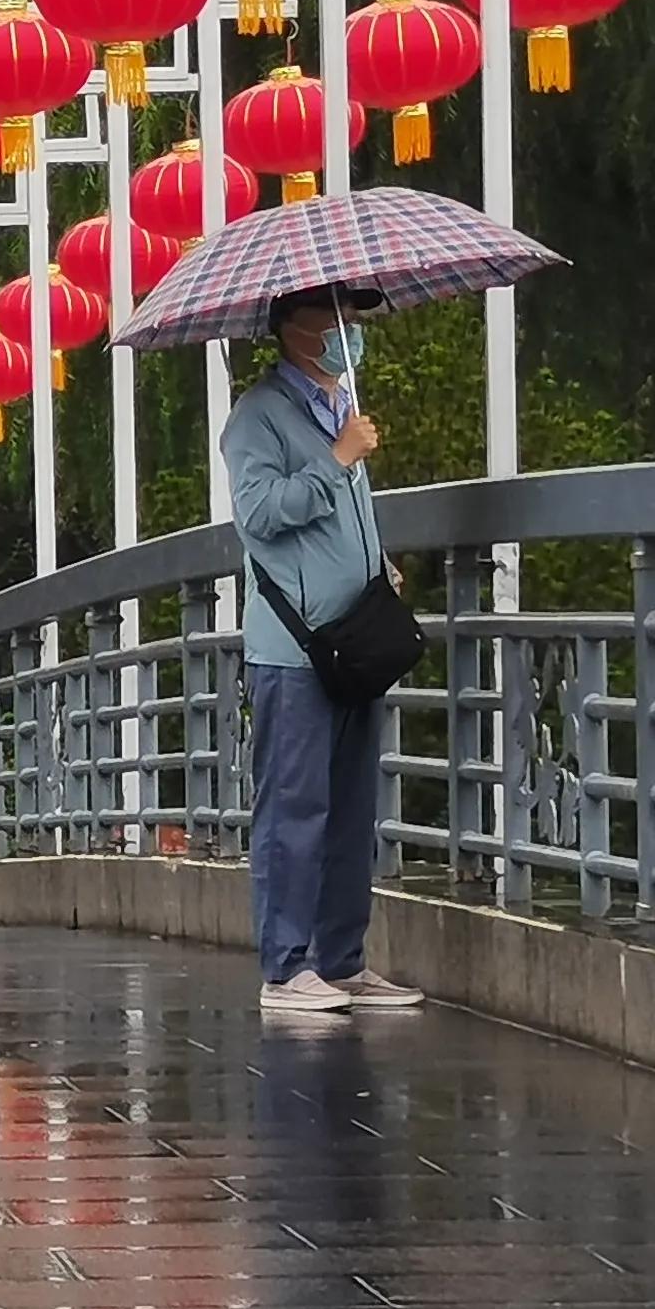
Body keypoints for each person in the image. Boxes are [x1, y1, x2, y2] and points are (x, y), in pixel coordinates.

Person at [227, 286, 421, 1016]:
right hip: (293, 647)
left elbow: (333, 520)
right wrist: (336, 461)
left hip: (353, 638)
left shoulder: (340, 411)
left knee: (348, 807)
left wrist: (375, 563)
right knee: (294, 805)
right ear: (293, 330)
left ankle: (341, 961)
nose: (349, 332)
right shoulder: (257, 417)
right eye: (334, 319)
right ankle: (283, 969)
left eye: (354, 318)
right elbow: (259, 515)